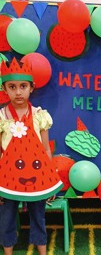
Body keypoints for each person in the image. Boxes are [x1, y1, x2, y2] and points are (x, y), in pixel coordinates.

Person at [0, 57, 62, 255]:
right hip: (7, 180)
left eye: (23, 86)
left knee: (38, 215)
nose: (18, 92)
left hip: (37, 177)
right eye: (12, 87)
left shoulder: (39, 115)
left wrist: (50, 179)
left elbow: (45, 150)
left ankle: (42, 251)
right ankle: (8, 251)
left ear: (31, 88)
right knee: (6, 216)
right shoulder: (2, 117)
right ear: (5, 89)